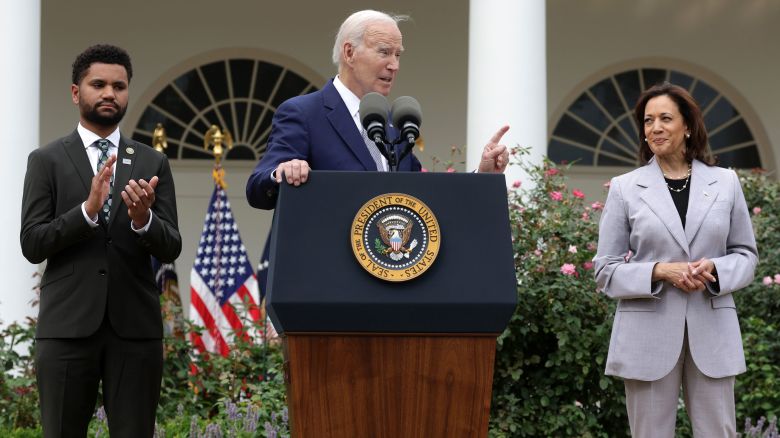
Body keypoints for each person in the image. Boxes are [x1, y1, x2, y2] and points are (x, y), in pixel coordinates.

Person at [20, 44, 182, 437]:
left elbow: (171, 245)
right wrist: (87, 212)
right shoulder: (47, 160)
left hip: (134, 329)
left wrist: (144, 221)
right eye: (99, 84)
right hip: (66, 328)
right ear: (77, 92)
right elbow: (32, 242)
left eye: (119, 86)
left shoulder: (151, 162)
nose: (110, 93)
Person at [593, 82, 758, 437]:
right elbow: (605, 270)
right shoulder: (625, 187)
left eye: (665, 118)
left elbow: (746, 256)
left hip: (713, 330)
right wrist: (658, 271)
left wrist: (715, 268)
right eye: (648, 120)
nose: (655, 128)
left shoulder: (726, 182)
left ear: (687, 126)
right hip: (646, 334)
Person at [246, 9, 510, 210]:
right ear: (349, 53)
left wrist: (482, 176)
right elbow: (257, 189)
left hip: (387, 273)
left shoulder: (391, 125)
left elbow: (428, 196)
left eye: (398, 55)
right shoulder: (303, 113)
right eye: (384, 52)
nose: (394, 65)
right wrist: (282, 172)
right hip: (325, 274)